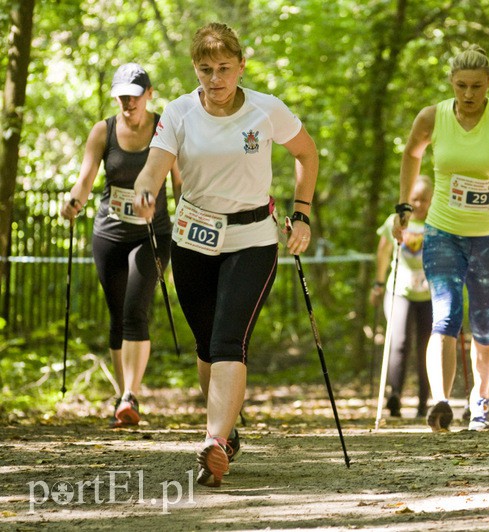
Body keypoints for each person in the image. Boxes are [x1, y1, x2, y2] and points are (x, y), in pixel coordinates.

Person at [133, 22, 318, 487]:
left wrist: (302, 213)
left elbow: (307, 154)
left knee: (228, 341)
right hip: (193, 239)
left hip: (252, 239)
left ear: (240, 66)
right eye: (205, 70)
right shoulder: (178, 112)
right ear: (194, 69)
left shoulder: (266, 109)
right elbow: (154, 167)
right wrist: (145, 191)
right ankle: (227, 431)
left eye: (223, 68)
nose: (215, 79)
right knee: (207, 344)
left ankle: (214, 441)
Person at [392, 45, 489, 432]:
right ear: (451, 82)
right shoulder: (432, 117)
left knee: (484, 324)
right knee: (446, 315)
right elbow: (411, 155)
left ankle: (480, 402)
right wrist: (404, 204)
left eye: (477, 87)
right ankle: (441, 401)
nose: (468, 94)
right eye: (461, 86)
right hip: (443, 232)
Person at [60, 63, 182, 428]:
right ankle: (123, 398)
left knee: (134, 309)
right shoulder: (104, 130)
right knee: (117, 315)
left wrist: (188, 220)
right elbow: (85, 180)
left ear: (149, 95)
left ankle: (131, 394)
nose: (128, 103)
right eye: (122, 96)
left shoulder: (165, 129)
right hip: (109, 234)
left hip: (152, 234)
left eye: (134, 96)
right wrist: (73, 202)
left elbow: (180, 184)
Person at [372, 176, 433, 419]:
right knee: (399, 342)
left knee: (426, 346)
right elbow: (383, 251)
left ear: (431, 200)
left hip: (429, 293)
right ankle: (394, 395)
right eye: (414, 199)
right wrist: (378, 283)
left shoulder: (437, 221)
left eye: (424, 200)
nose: (419, 204)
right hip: (399, 290)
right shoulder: (396, 221)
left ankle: (424, 401)